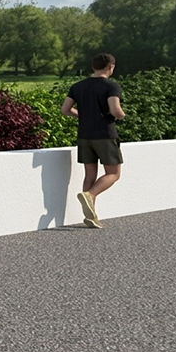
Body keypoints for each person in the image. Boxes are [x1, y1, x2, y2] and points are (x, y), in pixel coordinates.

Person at [61, 53, 126, 228]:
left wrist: (84, 116)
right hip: (105, 135)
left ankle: (91, 216)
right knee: (113, 173)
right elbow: (115, 110)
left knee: (90, 176)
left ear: (93, 67)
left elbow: (65, 110)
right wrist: (122, 115)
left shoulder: (78, 86)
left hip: (84, 135)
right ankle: (90, 195)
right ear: (111, 67)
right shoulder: (111, 86)